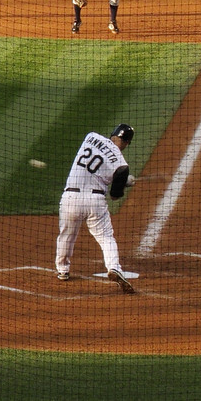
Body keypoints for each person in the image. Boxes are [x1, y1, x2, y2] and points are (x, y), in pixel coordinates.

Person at [56, 124, 137, 294]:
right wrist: (123, 183)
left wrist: (121, 180)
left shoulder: (91, 137)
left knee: (67, 235)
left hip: (70, 197)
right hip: (95, 201)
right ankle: (114, 268)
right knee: (106, 238)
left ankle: (62, 270)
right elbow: (115, 196)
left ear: (113, 134)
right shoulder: (122, 166)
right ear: (127, 142)